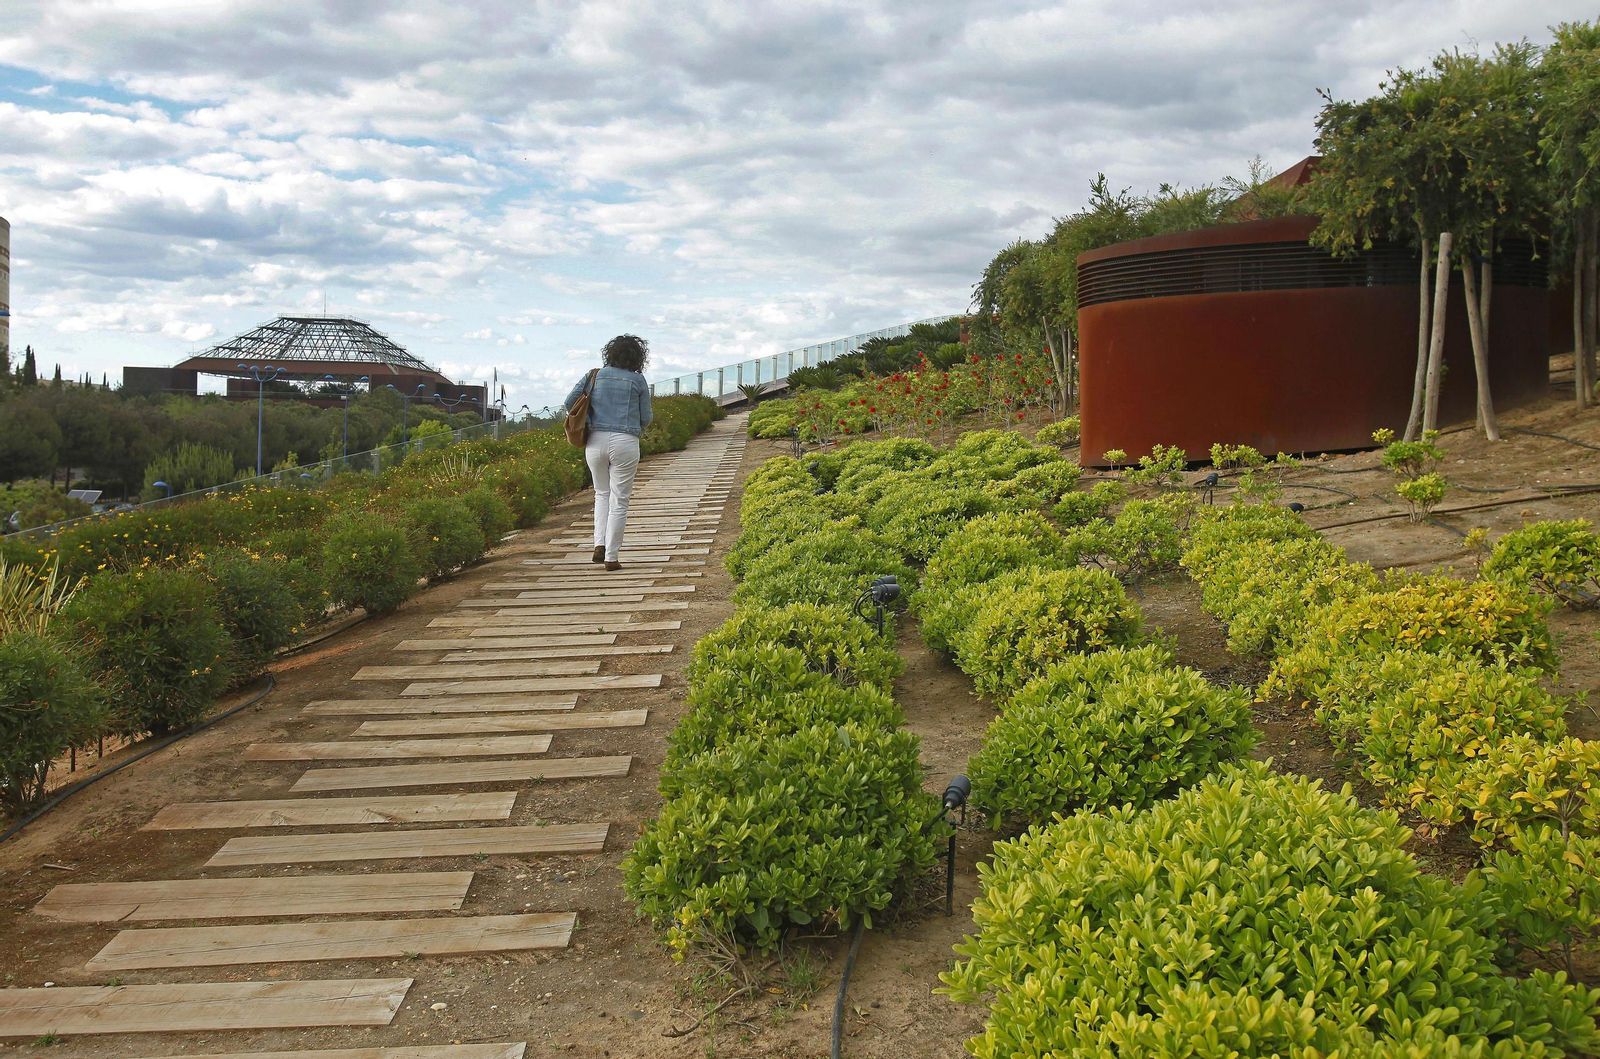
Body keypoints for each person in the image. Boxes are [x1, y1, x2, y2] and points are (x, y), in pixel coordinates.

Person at [565, 334, 653, 571]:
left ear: (610, 353)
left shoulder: (594, 375)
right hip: (625, 441)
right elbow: (646, 417)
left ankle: (599, 544)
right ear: (638, 356)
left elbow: (569, 403)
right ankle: (611, 557)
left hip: (595, 441)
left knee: (601, 494)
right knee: (620, 500)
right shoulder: (637, 380)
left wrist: (594, 416)